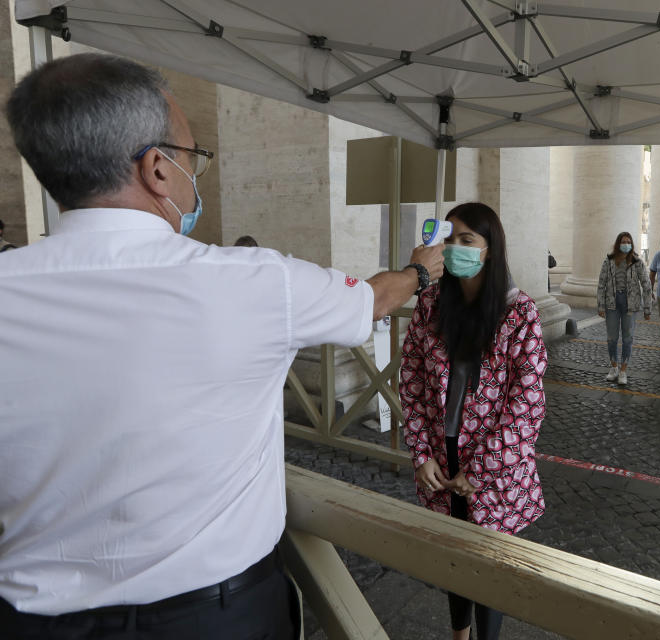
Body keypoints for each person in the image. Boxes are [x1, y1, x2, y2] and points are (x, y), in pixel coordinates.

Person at [0, 53, 446, 639]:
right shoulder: (258, 283)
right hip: (216, 617)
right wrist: (420, 273)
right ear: (158, 168)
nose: (194, 173)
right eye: (194, 158)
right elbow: (373, 301)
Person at [399, 202, 546, 640]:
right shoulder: (429, 305)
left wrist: (480, 470)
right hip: (442, 460)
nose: (455, 248)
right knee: (454, 558)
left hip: (493, 466)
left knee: (490, 567)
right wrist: (421, 452)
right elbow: (412, 382)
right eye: (450, 239)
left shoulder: (520, 314)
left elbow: (528, 403)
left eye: (468, 241)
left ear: (490, 249)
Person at [596, 231, 652, 385]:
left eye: (628, 242)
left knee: (627, 338)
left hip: (631, 304)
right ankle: (614, 366)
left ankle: (623, 370)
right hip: (612, 303)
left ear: (632, 244)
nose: (625, 244)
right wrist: (600, 305)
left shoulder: (637, 262)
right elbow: (601, 284)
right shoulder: (609, 261)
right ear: (618, 243)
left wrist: (647, 308)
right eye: (623, 241)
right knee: (612, 338)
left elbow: (647, 285)